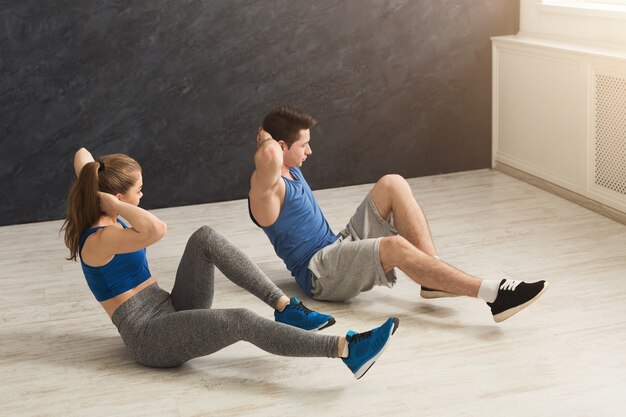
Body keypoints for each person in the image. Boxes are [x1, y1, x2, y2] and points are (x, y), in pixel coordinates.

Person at [61, 148, 398, 379]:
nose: (142, 196)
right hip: (149, 336)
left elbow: (83, 157)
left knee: (204, 236)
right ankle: (345, 350)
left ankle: (285, 306)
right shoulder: (100, 240)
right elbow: (156, 229)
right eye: (138, 191)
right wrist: (113, 202)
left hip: (172, 305)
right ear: (117, 200)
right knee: (240, 320)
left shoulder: (109, 210)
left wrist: (97, 181)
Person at [248, 106, 549, 323]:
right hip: (319, 273)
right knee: (394, 247)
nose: (310, 151)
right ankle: (494, 294)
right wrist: (267, 138)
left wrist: (275, 136)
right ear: (281, 145)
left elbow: (278, 152)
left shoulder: (292, 169)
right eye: (304, 144)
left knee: (392, 183)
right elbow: (270, 155)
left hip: (336, 246)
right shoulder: (268, 191)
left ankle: (432, 277)